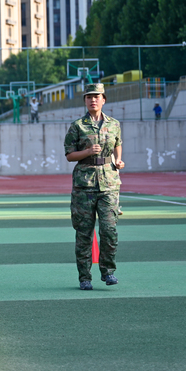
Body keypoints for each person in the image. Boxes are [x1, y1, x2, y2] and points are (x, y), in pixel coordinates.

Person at [64, 83, 125, 290]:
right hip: (84, 185)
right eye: (89, 97)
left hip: (109, 184)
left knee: (109, 230)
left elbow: (118, 143)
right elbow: (70, 155)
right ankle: (84, 277)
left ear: (103, 99)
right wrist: (88, 151)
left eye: (97, 96)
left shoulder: (114, 124)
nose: (93, 100)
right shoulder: (77, 126)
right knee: (84, 233)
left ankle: (108, 272)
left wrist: (118, 160)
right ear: (85, 101)